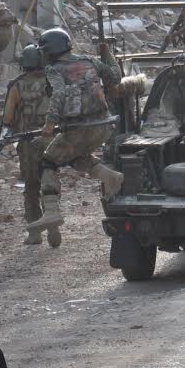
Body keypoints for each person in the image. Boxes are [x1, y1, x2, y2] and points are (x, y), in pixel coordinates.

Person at [26, 28, 123, 243]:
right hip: (103, 125)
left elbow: (59, 94)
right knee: (74, 156)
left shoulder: (54, 69)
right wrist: (107, 54)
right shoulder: (90, 61)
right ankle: (110, 176)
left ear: (49, 52)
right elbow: (115, 76)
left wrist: (50, 123)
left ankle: (51, 211)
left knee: (48, 162)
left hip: (78, 129)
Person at [2, 45, 52, 245]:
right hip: (51, 140)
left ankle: (35, 232)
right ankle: (53, 220)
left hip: (27, 143)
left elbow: (7, 118)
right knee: (50, 180)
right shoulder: (52, 80)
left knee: (31, 186)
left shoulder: (17, 85)